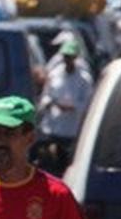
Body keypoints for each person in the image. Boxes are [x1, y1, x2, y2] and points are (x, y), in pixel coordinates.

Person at [36, 36, 94, 171]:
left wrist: (72, 107)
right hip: (54, 128)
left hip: (72, 130)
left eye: (70, 56)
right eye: (65, 56)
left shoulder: (84, 79)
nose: (67, 59)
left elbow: (88, 104)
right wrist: (49, 104)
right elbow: (46, 96)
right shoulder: (55, 74)